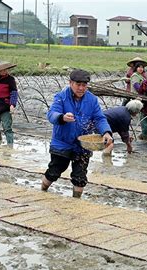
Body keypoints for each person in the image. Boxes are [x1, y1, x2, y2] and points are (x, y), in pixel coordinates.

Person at [41, 69, 113, 198]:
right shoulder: (61, 97)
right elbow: (52, 114)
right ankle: (42, 191)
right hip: (62, 142)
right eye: (78, 84)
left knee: (80, 176)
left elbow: (99, 118)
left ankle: (76, 202)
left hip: (83, 144)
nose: (81, 88)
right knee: (54, 171)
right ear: (70, 83)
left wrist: (106, 132)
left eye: (84, 85)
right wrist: (62, 117)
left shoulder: (92, 100)